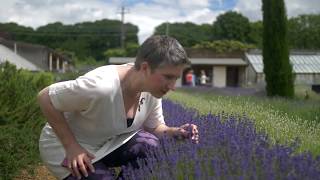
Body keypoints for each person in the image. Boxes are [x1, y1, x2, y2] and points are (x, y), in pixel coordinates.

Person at [38, 35, 199, 180]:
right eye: (168, 77)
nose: (173, 86)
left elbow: (155, 127)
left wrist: (175, 132)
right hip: (66, 146)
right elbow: (46, 98)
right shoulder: (101, 86)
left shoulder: (150, 89)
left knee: (151, 147)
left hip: (109, 141)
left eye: (175, 78)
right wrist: (71, 146)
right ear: (145, 68)